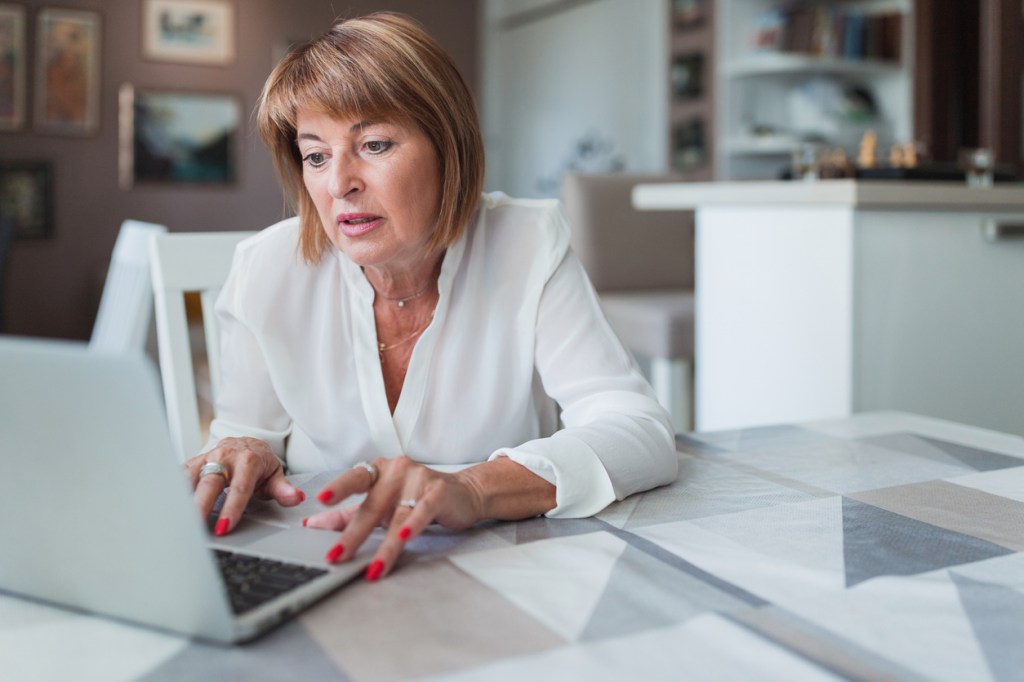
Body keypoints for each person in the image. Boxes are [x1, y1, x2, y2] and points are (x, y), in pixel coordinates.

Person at [186, 12, 677, 582]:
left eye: (372, 144)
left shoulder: (526, 243)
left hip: (507, 572)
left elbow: (638, 430)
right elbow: (245, 433)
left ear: (448, 146)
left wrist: (472, 488)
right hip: (316, 561)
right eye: (315, 155)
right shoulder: (266, 267)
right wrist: (244, 451)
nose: (339, 182)